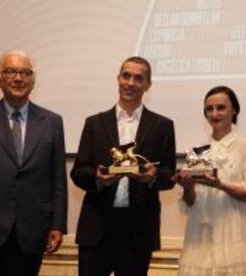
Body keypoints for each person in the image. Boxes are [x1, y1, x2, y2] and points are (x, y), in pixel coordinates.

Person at [0, 50, 68, 276]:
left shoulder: (52, 122)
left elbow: (58, 179)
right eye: (10, 71)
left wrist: (57, 225)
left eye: (25, 72)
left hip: (32, 231)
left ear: (33, 80)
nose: (18, 78)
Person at [71, 56, 176, 276]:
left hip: (138, 230)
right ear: (118, 78)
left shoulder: (163, 126)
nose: (131, 83)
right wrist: (97, 178)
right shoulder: (94, 123)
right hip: (97, 227)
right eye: (126, 76)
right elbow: (79, 171)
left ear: (148, 85)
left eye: (139, 78)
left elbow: (169, 173)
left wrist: (154, 176)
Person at [174, 86, 246, 276]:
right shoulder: (197, 151)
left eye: (221, 107)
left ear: (234, 110)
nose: (214, 113)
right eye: (209, 109)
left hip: (233, 235)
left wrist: (220, 184)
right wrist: (188, 187)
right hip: (199, 239)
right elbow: (190, 203)